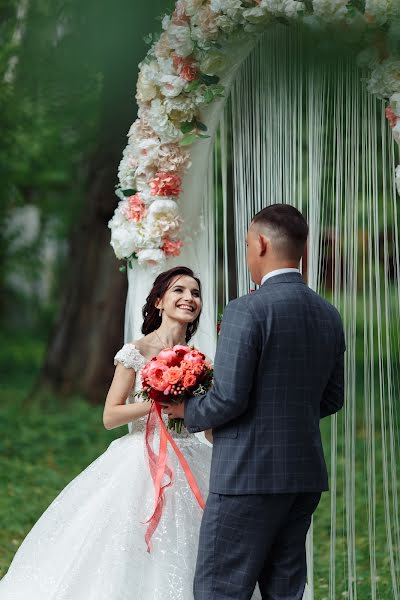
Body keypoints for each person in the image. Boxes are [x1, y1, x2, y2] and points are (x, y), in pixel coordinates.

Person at [165, 204, 345, 600]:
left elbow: (228, 399)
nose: (248, 253)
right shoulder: (328, 314)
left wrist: (185, 410)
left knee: (220, 589)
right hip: (302, 477)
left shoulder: (246, 310)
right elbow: (333, 397)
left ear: (261, 244)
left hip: (248, 475)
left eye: (248, 244)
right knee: (284, 590)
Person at [0, 266, 213, 600]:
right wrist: (158, 401)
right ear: (159, 301)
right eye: (179, 291)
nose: (189, 298)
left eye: (195, 293)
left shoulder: (200, 362)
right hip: (142, 458)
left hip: (190, 456)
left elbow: (205, 420)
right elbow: (110, 415)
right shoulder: (136, 352)